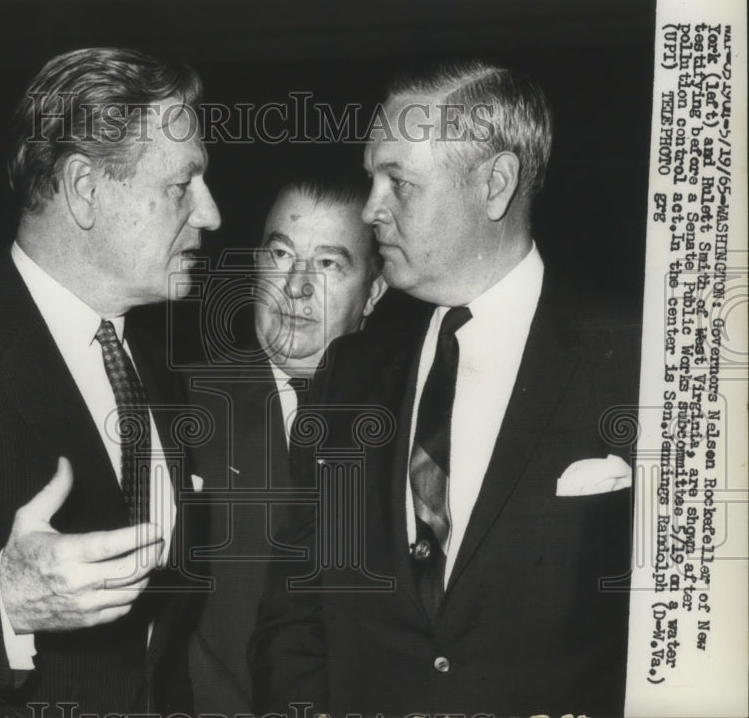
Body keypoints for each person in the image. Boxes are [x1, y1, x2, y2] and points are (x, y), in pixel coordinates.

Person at [251, 61, 640, 717]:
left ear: (495, 184)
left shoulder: (635, 356)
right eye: (372, 177)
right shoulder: (349, 373)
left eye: (397, 182)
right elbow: (294, 616)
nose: (371, 207)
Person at [0, 47, 221, 716]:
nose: (210, 214)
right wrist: (2, 598)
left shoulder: (157, 370)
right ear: (85, 189)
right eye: (182, 186)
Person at [187, 177, 387, 714]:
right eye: (280, 254)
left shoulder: (412, 425)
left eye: (327, 264)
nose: (295, 287)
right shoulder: (177, 410)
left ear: (374, 291)